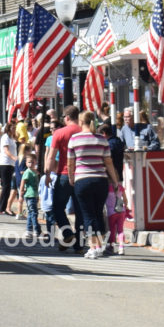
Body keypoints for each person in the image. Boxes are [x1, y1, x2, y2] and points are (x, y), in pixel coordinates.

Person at [67, 111, 121, 259]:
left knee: (87, 214)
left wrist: (71, 177)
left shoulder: (74, 139)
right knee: (98, 213)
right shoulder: (102, 140)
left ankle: (93, 247)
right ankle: (100, 245)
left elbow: (70, 162)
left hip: (82, 179)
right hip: (100, 180)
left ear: (80, 121)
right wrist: (115, 181)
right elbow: (109, 162)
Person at [45, 105, 84, 252]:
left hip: (64, 173)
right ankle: (78, 245)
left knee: (57, 207)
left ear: (66, 118)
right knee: (80, 210)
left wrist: (48, 174)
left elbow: (51, 156)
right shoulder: (84, 131)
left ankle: (68, 234)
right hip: (81, 174)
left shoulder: (60, 133)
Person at [0, 122, 17, 215]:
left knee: (7, 186)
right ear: (8, 129)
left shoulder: (12, 138)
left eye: (14, 128)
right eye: (12, 128)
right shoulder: (5, 137)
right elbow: (6, 150)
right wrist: (15, 159)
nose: (14, 130)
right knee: (6, 186)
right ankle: (1, 207)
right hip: (5, 163)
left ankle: (4, 207)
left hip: (10, 164)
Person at [18, 151, 41, 240]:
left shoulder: (34, 172)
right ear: (26, 163)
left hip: (34, 194)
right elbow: (22, 183)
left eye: (32, 162)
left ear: (35, 162)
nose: (30, 164)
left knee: (31, 213)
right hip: (29, 195)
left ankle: (29, 230)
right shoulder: (27, 172)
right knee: (34, 213)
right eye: (28, 162)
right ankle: (36, 230)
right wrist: (21, 194)